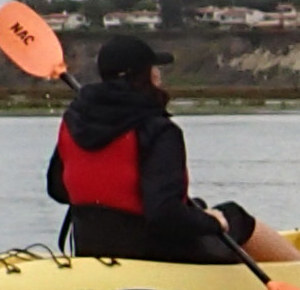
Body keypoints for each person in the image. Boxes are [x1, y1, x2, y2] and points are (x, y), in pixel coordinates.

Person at [46, 34, 283, 263]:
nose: (158, 75)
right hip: (153, 251)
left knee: (196, 206)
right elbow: (164, 215)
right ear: (142, 76)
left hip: (91, 244)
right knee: (234, 217)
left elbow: (58, 190)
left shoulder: (73, 121)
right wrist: (213, 223)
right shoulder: (158, 129)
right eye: (153, 68)